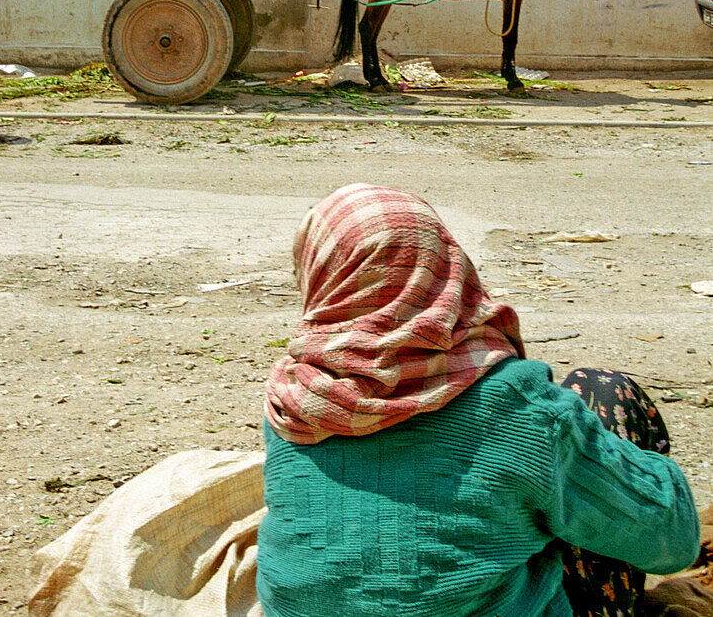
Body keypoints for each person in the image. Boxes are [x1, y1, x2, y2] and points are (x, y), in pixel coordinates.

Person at [257, 184, 700, 617]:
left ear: (321, 275)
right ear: (445, 269)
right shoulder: (520, 405)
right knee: (603, 391)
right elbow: (673, 544)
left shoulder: (295, 397)